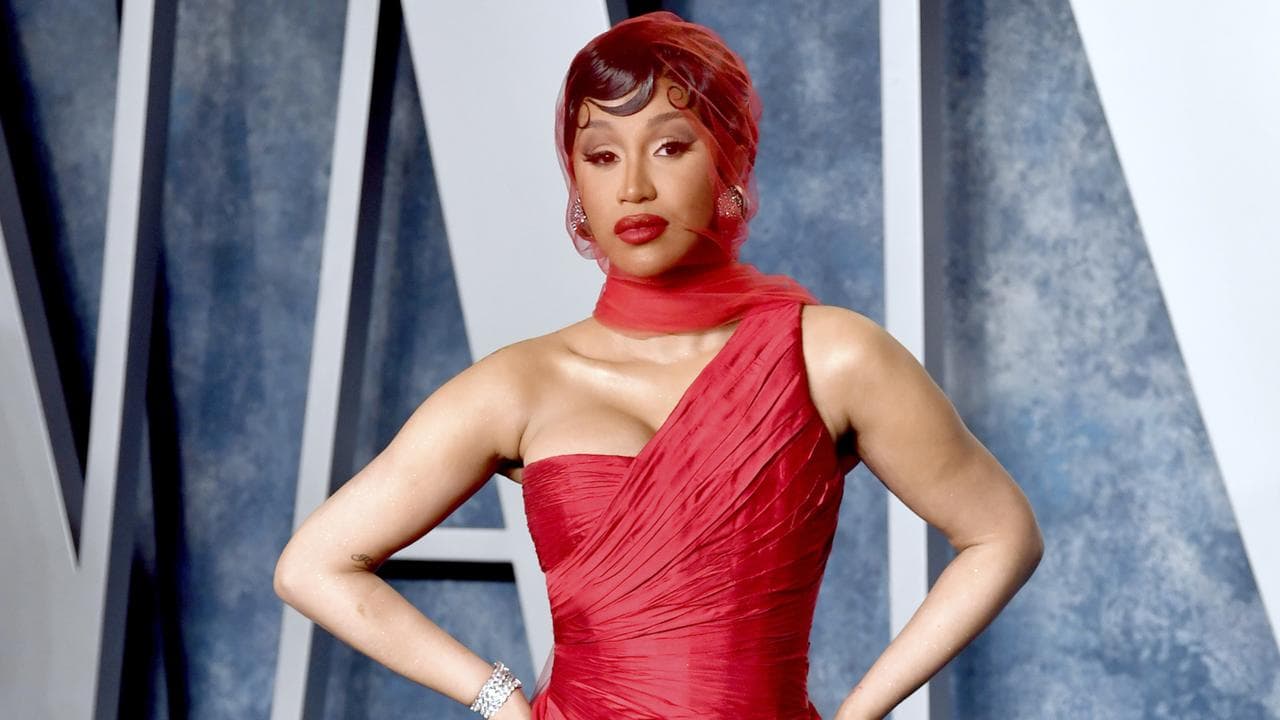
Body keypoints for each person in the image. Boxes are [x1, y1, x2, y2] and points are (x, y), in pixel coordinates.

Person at [273, 10, 1043, 720]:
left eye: (671, 146)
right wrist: (498, 699)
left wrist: (857, 715)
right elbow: (313, 566)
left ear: (730, 161)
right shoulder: (521, 385)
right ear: (577, 181)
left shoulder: (833, 357)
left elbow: (1002, 534)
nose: (634, 185)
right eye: (602, 155)